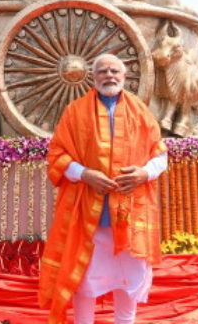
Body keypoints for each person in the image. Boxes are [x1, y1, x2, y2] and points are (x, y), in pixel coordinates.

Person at [38, 54, 168, 324]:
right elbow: (56, 155)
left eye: (114, 71)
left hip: (130, 214)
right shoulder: (75, 111)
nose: (109, 76)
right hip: (88, 215)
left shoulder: (141, 112)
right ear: (93, 77)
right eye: (102, 71)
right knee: (84, 279)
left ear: (124, 76)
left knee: (127, 280)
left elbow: (161, 156)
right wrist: (84, 174)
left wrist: (144, 173)